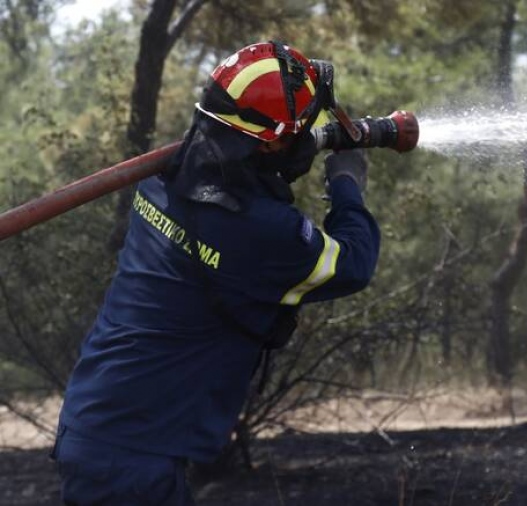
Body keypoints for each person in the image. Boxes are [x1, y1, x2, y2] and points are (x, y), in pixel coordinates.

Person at [51, 41, 380, 505]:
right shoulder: (263, 232)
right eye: (300, 129)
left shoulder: (163, 176)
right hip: (133, 459)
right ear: (274, 141)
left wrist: (307, 142)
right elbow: (354, 263)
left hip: (103, 428)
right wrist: (347, 183)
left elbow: (248, 163)